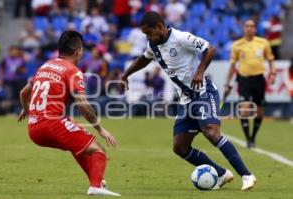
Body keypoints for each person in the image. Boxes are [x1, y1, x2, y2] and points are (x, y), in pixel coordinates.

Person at [121, 11, 256, 191]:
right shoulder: (153, 45)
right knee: (180, 147)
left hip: (203, 93)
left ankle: (246, 175)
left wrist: (199, 72)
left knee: (211, 132)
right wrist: (126, 74)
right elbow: (144, 59)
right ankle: (222, 173)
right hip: (186, 100)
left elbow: (210, 48)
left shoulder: (181, 37)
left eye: (148, 33)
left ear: (160, 27)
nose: (147, 37)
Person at [17, 31, 121, 196]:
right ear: (78, 52)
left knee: (78, 144)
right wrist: (100, 129)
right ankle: (96, 186)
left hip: (33, 129)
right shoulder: (72, 70)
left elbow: (23, 93)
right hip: (52, 124)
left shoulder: (45, 66)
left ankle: (97, 182)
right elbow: (83, 105)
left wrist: (26, 108)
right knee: (98, 150)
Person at [224, 19, 276, 148]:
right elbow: (232, 65)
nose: (249, 28)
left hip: (259, 79)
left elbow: (270, 60)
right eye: (246, 26)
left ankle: (253, 137)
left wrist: (273, 73)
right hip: (243, 79)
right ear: (243, 28)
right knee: (244, 109)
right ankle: (248, 139)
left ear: (255, 29)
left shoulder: (263, 43)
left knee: (259, 111)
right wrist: (227, 83)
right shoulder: (237, 45)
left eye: (252, 26)